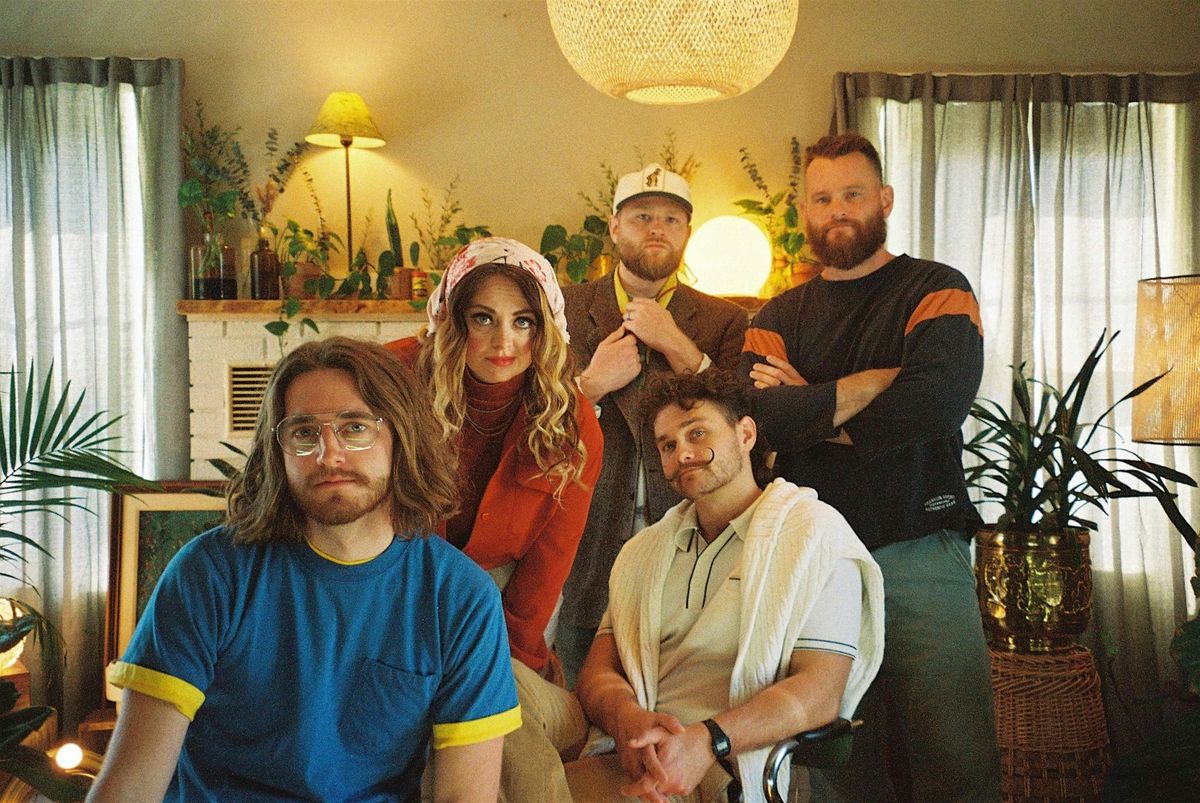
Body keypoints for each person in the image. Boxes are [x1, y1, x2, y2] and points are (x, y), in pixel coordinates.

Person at [88, 337, 520, 802]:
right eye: (304, 433)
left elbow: (464, 796)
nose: (328, 454)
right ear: (278, 450)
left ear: (402, 436)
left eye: (355, 428)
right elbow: (130, 787)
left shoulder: (461, 597)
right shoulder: (209, 574)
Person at [741, 131, 1001, 800]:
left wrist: (809, 402)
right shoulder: (775, 316)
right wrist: (875, 382)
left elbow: (934, 406)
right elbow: (759, 421)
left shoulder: (937, 288)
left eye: (853, 194)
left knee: (957, 759)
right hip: (815, 563)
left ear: (884, 199)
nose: (838, 210)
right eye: (823, 198)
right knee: (836, 764)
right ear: (805, 211)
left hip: (920, 547)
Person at [504, 370, 884, 803]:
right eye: (667, 445)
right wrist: (628, 718)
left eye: (697, 433)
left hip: (716, 756)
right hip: (628, 733)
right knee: (499, 679)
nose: (682, 453)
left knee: (507, 784)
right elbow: (598, 672)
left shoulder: (814, 535)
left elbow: (819, 694)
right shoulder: (645, 550)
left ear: (745, 434)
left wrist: (707, 740)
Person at [558, 163, 749, 687]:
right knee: (579, 697)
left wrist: (676, 344)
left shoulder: (725, 321)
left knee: (679, 699)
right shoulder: (563, 309)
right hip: (586, 543)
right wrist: (590, 385)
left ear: (687, 232)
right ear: (615, 227)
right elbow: (531, 418)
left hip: (691, 542)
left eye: (670, 219)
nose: (656, 229)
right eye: (642, 216)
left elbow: (743, 420)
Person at [386, 236, 602, 675]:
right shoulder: (391, 376)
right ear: (452, 319)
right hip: (386, 582)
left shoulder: (572, 420)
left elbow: (549, 561)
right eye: (483, 318)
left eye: (523, 322)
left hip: (500, 593)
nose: (504, 342)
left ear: (546, 328)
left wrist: (509, 668)